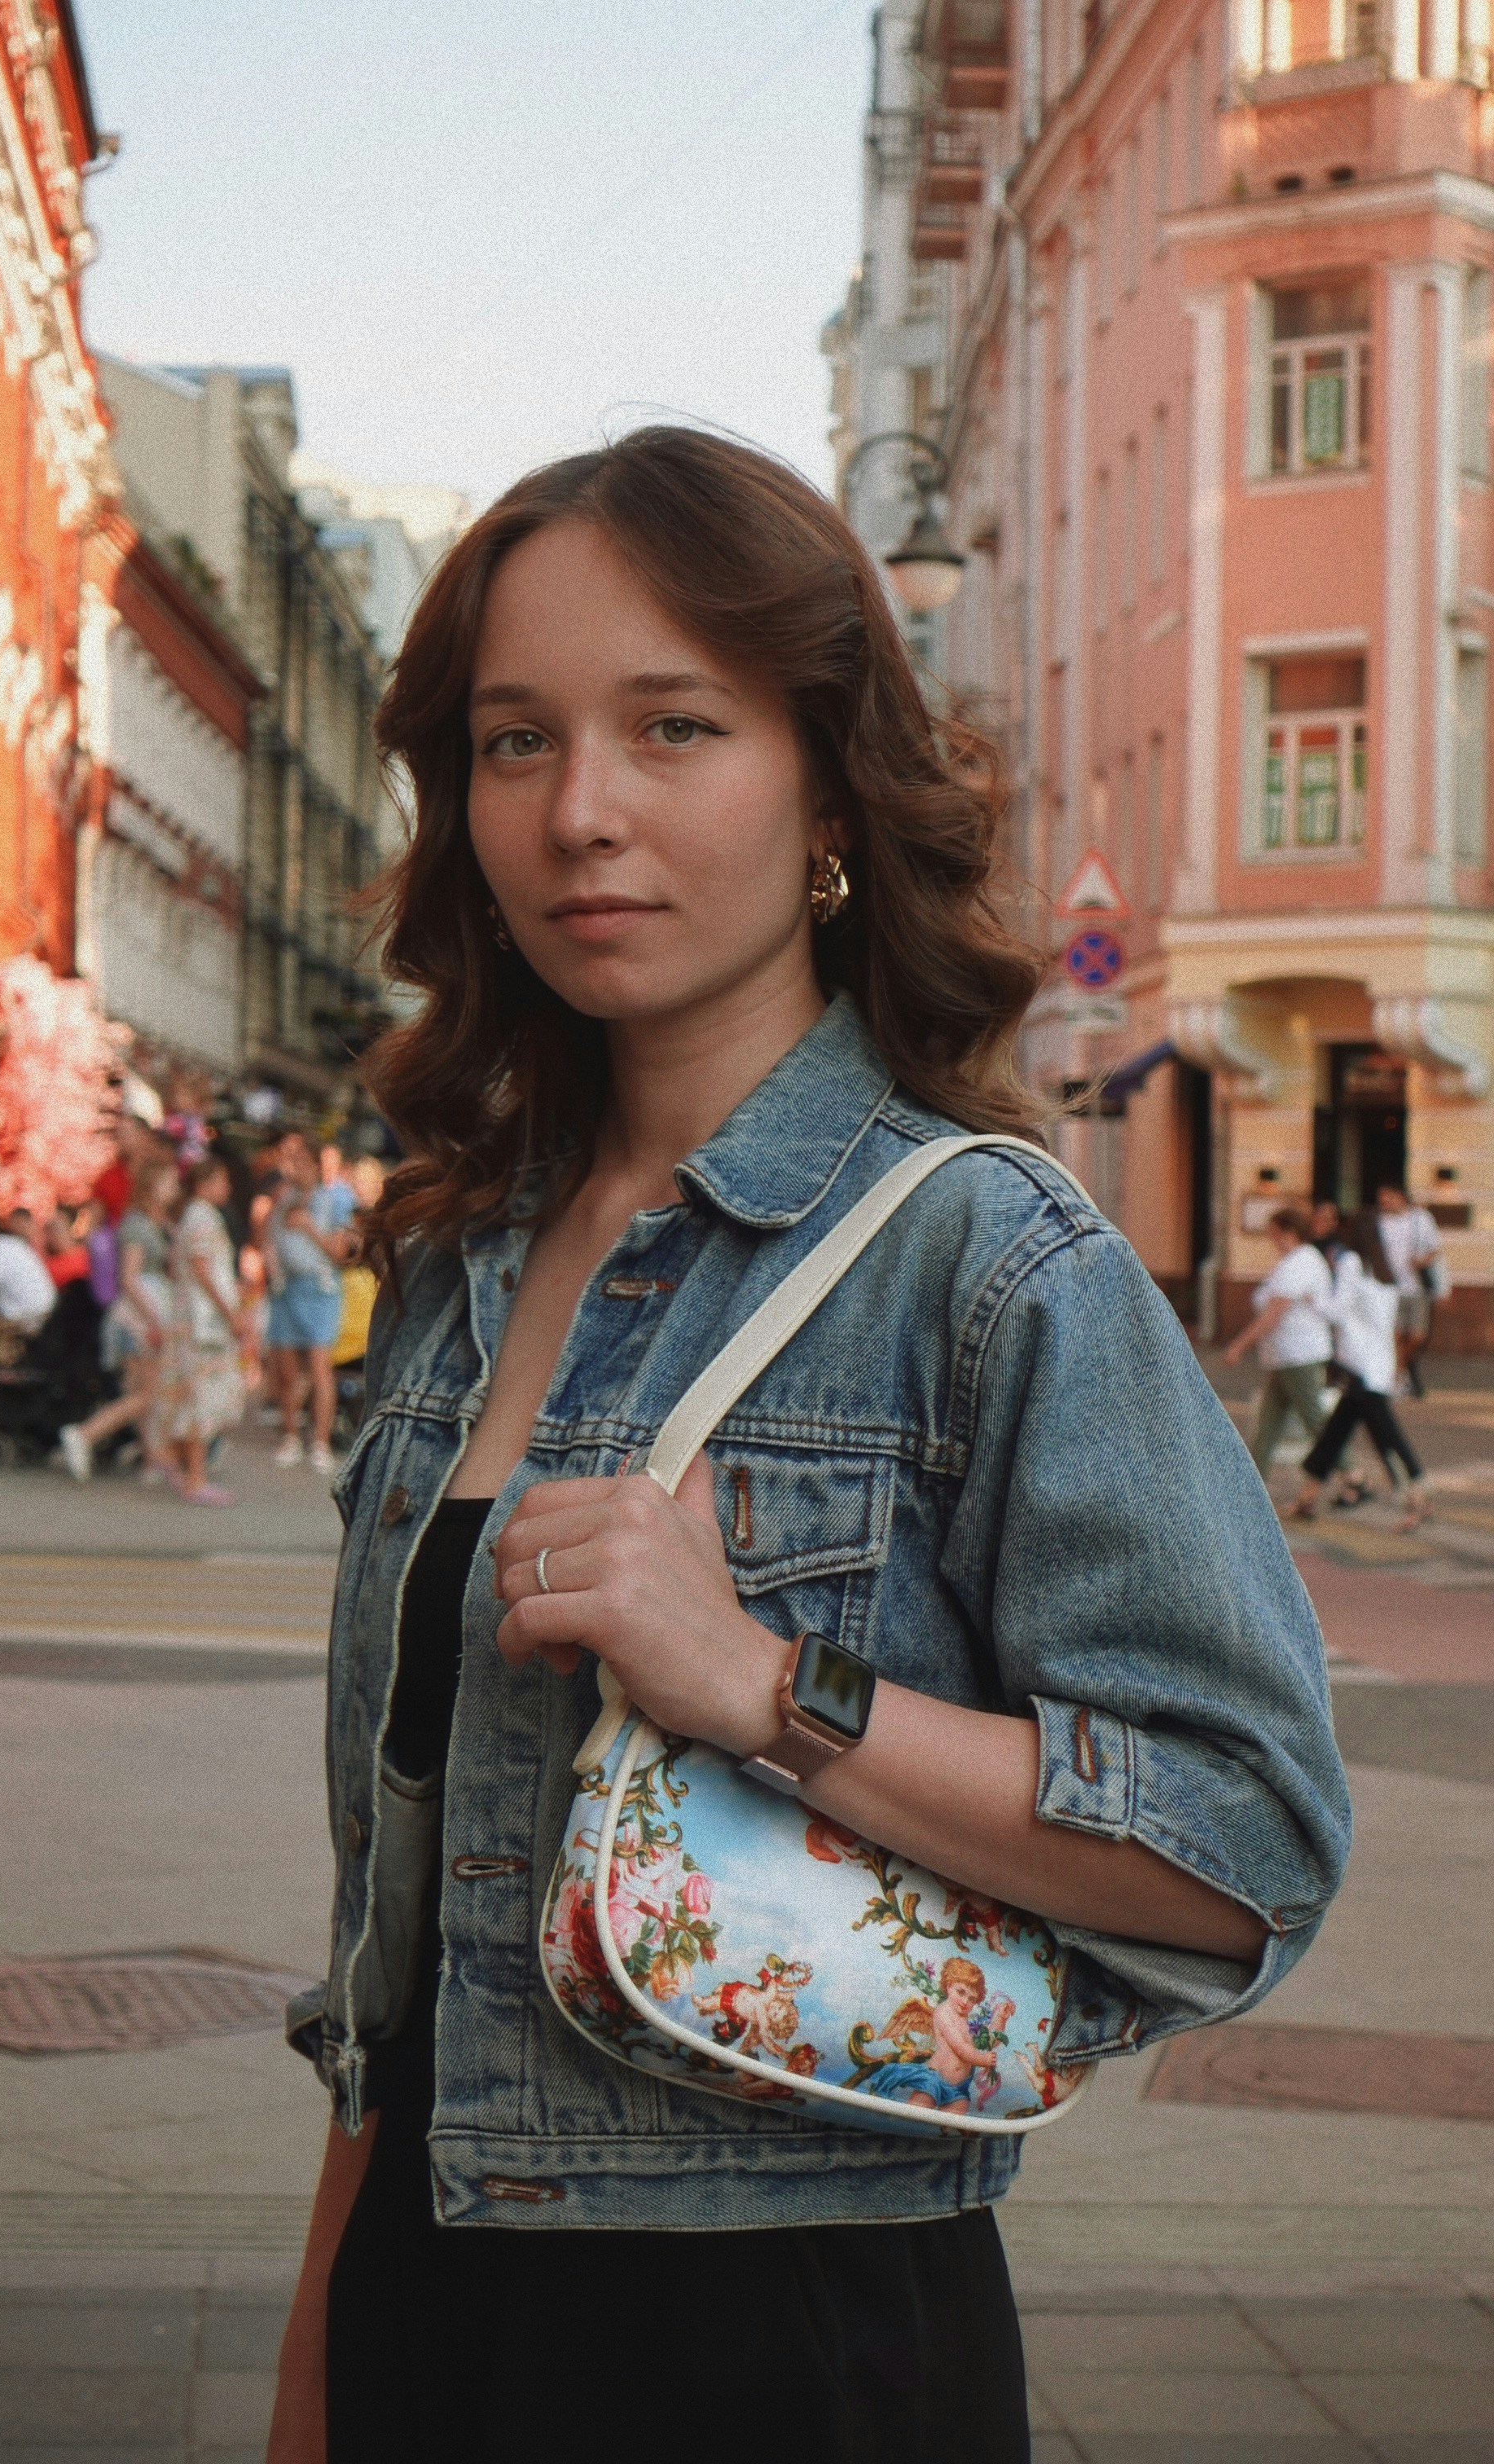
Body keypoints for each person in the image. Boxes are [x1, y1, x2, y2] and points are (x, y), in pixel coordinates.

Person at [265, 429, 1350, 2464]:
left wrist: (767, 1685)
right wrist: (319, 2373)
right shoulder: (462, 1265)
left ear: (830, 784)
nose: (582, 813)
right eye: (516, 742)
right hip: (433, 2295)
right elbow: (396, 1949)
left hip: (786, 2346)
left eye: (673, 727)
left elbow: (1247, 1846)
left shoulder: (989, 1265)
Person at [1292, 1212, 1428, 1529]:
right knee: (1334, 1436)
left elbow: (1336, 1310)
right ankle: (1306, 1499)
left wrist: (1312, 1299)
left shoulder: (1352, 1263)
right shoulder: (1385, 1271)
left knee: (1388, 1438)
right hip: (1376, 1366)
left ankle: (1419, 1497)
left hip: (1359, 1367)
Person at [58, 1159, 179, 1484]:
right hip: (139, 1317)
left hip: (138, 1315)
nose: (174, 1188)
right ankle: (85, 1434)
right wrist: (155, 1320)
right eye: (168, 1182)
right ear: (153, 1186)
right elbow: (129, 1276)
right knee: (145, 1395)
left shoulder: (150, 1223)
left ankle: (153, 1459)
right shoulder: (138, 1225)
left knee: (141, 1392)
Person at [154, 1153, 247, 1505]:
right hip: (204, 1324)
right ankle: (195, 1477)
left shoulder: (191, 1216)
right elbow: (202, 1268)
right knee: (203, 1398)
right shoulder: (203, 1216)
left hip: (192, 1321)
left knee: (193, 1395)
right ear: (205, 1184)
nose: (227, 1188)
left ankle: (175, 1460)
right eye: (222, 1181)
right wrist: (231, 1313)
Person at [1221, 1207, 1335, 1483]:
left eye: (1274, 1233)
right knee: (1269, 1424)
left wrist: (1239, 1345)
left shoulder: (1301, 1262)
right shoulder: (1295, 1261)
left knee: (1315, 1421)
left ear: (1289, 1233)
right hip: (1284, 1356)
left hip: (1299, 1354)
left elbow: (1274, 1314)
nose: (1271, 1239)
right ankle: (1252, 1482)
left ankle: (1352, 1474)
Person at [267, 1132, 356, 1474]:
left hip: (320, 1289)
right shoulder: (285, 1200)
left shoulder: (337, 1200)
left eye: (303, 1160)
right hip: (286, 1289)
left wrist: (308, 1228)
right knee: (287, 1369)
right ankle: (290, 1435)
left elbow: (340, 1252)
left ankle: (319, 1440)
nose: (295, 1167)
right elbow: (270, 1243)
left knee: (320, 1366)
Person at [1376, 1183, 1444, 1398]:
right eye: (1382, 1202)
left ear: (1401, 1198)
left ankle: (1401, 1371)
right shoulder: (1379, 1222)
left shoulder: (1420, 1219)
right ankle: (1397, 1379)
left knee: (1416, 1336)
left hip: (1416, 1287)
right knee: (1395, 1335)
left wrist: (1421, 1261)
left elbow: (1435, 1248)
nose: (1385, 1205)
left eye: (1389, 1200)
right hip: (1390, 1288)